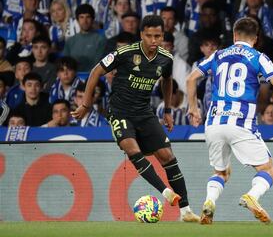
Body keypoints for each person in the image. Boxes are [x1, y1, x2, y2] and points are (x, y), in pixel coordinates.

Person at [186, 17, 273, 225]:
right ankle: (252, 196)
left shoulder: (218, 55)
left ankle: (209, 202)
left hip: (213, 123)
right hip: (241, 124)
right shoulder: (259, 57)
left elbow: (190, 79)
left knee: (221, 171)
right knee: (268, 170)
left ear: (234, 35)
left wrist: (193, 108)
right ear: (256, 39)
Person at [71, 15, 200, 222]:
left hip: (144, 113)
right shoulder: (125, 53)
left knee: (167, 156)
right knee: (132, 149)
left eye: (158, 36)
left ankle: (186, 211)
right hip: (120, 112)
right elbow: (96, 71)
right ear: (141, 35)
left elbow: (167, 81)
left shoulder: (165, 58)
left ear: (163, 35)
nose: (154, 40)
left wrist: (167, 110)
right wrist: (86, 105)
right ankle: (165, 192)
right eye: (149, 36)